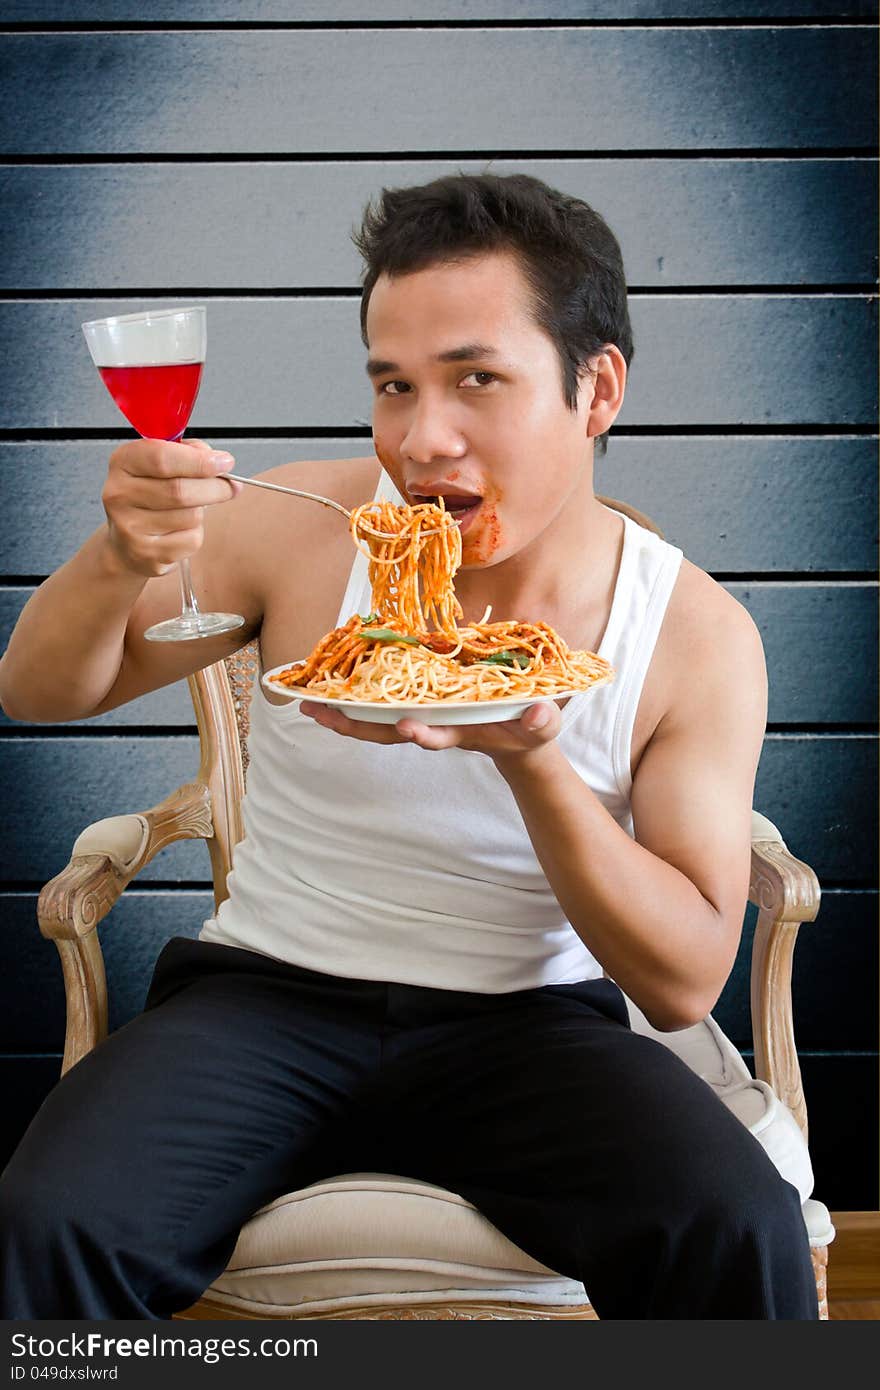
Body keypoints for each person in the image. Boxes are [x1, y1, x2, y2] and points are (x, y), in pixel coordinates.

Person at [0, 173, 818, 1319]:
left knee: (735, 1222)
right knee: (51, 1217)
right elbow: (38, 688)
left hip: (529, 1024)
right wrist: (122, 553)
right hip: (264, 1002)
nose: (421, 440)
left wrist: (529, 756)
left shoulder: (691, 634)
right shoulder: (297, 522)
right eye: (394, 386)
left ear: (598, 389)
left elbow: (683, 977)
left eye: (477, 380)